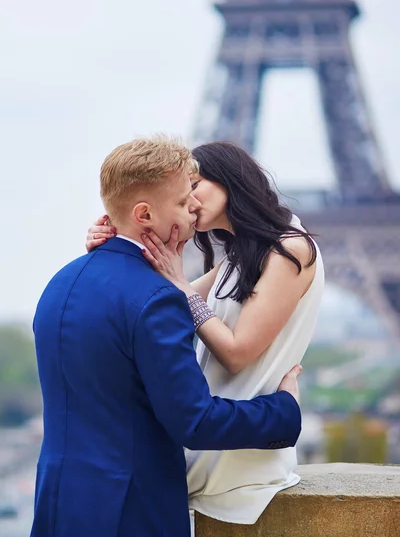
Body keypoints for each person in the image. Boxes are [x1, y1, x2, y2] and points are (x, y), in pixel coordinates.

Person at [31, 136, 302, 537]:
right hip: (131, 513)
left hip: (57, 504)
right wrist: (283, 410)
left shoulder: (60, 282)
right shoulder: (157, 299)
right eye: (181, 201)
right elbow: (195, 421)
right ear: (143, 214)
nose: (193, 207)